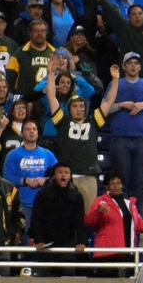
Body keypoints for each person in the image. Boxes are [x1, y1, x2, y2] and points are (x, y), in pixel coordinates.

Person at [49, 63, 119, 210]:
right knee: (66, 215)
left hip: (89, 176)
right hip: (68, 177)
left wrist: (115, 81)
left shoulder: (93, 122)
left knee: (88, 216)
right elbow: (52, 98)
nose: (79, 109)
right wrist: (50, 74)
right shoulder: (62, 122)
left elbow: (108, 102)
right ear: (69, 109)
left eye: (82, 106)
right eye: (75, 106)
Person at [106, 52, 143, 208]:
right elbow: (105, 108)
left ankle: (136, 216)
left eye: (136, 63)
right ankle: (121, 214)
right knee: (121, 179)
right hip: (120, 138)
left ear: (140, 66)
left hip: (142, 138)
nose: (133, 66)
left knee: (139, 180)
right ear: (124, 66)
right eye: (129, 63)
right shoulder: (116, 84)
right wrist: (122, 105)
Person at [85, 170, 143, 275]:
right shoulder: (100, 201)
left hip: (129, 253)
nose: (116, 186)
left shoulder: (129, 203)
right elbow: (88, 221)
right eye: (112, 183)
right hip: (107, 253)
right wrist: (98, 211)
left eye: (118, 183)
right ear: (106, 187)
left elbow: (139, 225)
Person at [4, 121, 56, 239]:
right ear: (22, 133)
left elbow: (58, 175)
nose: (32, 132)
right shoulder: (12, 155)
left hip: (45, 203)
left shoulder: (48, 154)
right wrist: (26, 180)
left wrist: (45, 180)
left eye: (34, 129)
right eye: (28, 129)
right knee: (23, 236)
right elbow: (7, 177)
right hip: (22, 204)